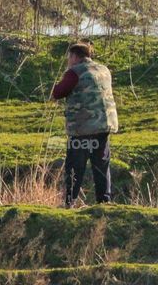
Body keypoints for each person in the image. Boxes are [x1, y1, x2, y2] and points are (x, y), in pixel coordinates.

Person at [50, 42, 118, 206]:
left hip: (83, 128)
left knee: (75, 166)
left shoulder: (74, 72)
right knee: (101, 165)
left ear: (74, 56)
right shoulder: (104, 70)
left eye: (69, 57)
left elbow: (58, 93)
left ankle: (70, 202)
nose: (68, 61)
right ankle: (104, 202)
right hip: (104, 125)